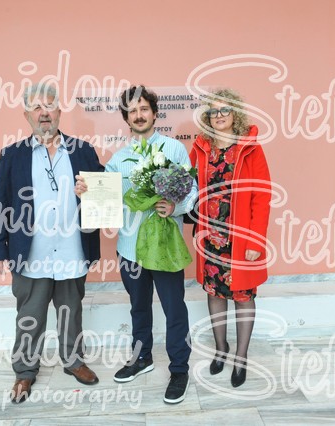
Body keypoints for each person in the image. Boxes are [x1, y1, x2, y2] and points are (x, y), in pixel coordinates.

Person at [76, 85, 196, 404]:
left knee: (174, 309)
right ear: (126, 118)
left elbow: (192, 192)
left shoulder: (174, 150)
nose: (139, 115)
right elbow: (108, 202)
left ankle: (179, 369)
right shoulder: (118, 160)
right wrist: (88, 193)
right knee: (138, 308)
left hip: (165, 247)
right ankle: (141, 358)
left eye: (144, 109)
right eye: (132, 111)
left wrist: (175, 206)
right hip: (129, 248)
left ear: (155, 114)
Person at [0, 84, 103, 404]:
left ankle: (74, 361)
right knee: (30, 314)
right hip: (31, 252)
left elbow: (103, 192)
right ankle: (25, 370)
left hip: (72, 248)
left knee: (71, 310)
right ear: (26, 115)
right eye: (37, 107)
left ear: (59, 112)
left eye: (49, 106)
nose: (44, 112)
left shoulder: (83, 150)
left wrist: (91, 191)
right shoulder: (12, 154)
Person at [189, 88, 271, 388]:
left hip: (241, 240)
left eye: (225, 110)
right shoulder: (201, 147)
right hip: (210, 237)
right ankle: (221, 348)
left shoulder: (249, 148)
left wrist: (255, 242)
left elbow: (262, 197)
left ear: (235, 113)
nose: (219, 116)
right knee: (215, 293)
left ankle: (241, 356)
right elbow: (188, 185)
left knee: (243, 296)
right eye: (213, 111)